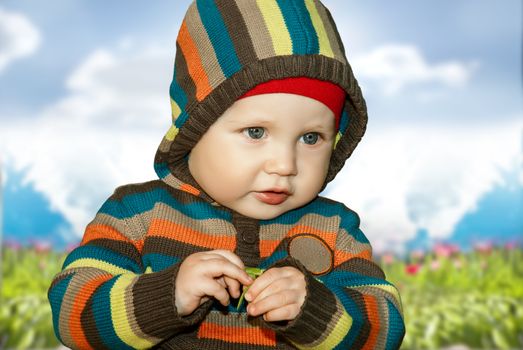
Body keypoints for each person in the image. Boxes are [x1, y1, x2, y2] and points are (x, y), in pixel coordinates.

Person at [48, 0, 405, 349]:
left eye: (310, 138)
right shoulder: (138, 213)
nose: (284, 164)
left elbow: (385, 329)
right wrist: (167, 295)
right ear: (194, 129)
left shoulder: (335, 229)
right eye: (255, 132)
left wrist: (317, 311)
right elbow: (71, 311)